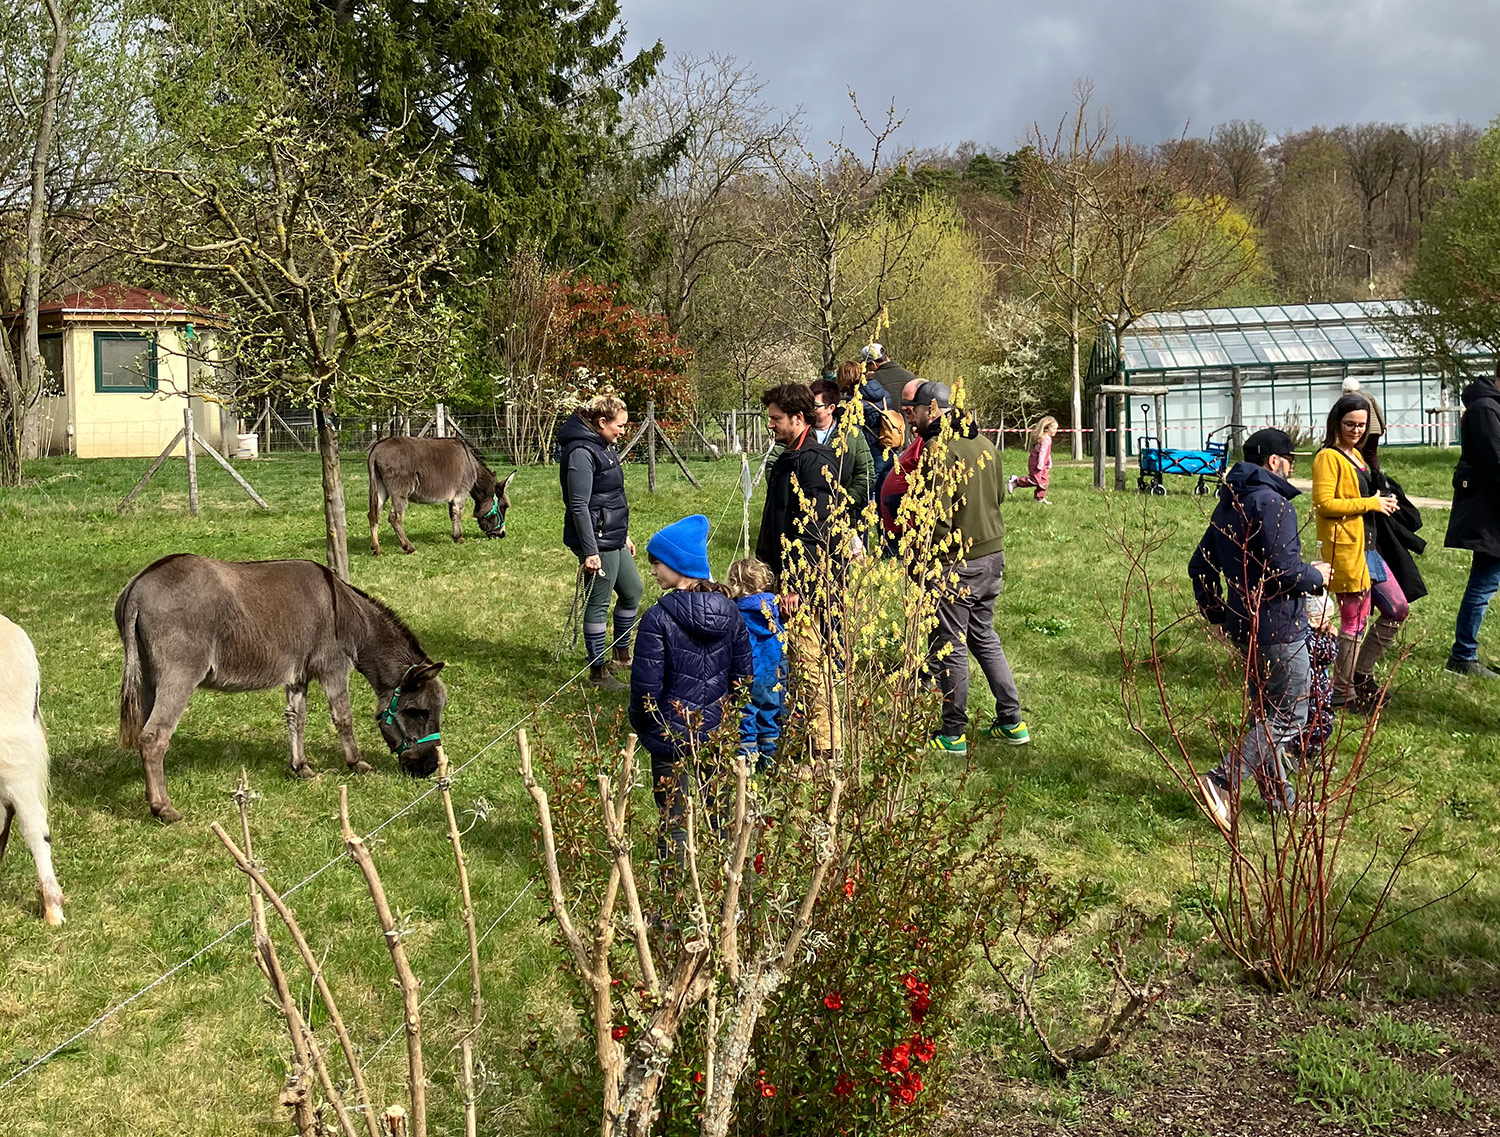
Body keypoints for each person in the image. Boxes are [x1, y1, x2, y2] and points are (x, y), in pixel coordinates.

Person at [1189, 428, 1332, 825]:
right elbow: (1285, 572)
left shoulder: (1230, 502)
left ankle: (1281, 799)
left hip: (1244, 626)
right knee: (1289, 716)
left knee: (1265, 717)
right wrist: (1317, 576)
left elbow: (1200, 565)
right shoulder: (1273, 504)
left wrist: (1217, 614)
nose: (1292, 468)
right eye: (1291, 460)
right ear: (1274, 461)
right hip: (1280, 628)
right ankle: (1221, 780)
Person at [907, 381, 1029, 752]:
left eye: (916, 409)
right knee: (983, 635)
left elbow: (936, 516)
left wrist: (926, 557)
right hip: (993, 554)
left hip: (955, 563)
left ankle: (953, 733)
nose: (912, 416)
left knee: (950, 644)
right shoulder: (986, 444)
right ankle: (1012, 722)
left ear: (932, 409)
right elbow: (1000, 495)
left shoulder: (938, 450)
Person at [629, 514, 753, 866]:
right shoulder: (731, 614)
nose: (653, 570)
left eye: (657, 562)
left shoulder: (657, 618)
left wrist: (645, 724)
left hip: (669, 735)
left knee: (674, 821)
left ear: (679, 564)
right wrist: (728, 722)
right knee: (723, 815)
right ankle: (734, 885)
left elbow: (645, 687)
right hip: (715, 733)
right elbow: (744, 678)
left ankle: (674, 894)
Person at [754, 382, 843, 760]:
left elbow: (814, 530)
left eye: (776, 418)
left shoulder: (813, 461)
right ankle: (805, 739)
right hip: (785, 576)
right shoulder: (790, 457)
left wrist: (796, 586)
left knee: (810, 664)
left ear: (797, 418)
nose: (770, 424)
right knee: (794, 664)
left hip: (806, 583)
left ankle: (826, 751)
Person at [1310, 393, 1403, 710]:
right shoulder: (1328, 457)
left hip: (1368, 547)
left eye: (1362, 425)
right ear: (1336, 423)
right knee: (1354, 622)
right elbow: (1324, 504)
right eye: (1350, 424)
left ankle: (1360, 674)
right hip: (1347, 549)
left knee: (1397, 609)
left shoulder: (1358, 455)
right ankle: (1342, 693)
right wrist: (1370, 503)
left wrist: (1382, 500)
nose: (1356, 430)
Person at [558, 393, 641, 691]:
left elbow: (611, 496)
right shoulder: (581, 452)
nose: (623, 431)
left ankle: (621, 656)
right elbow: (579, 505)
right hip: (596, 540)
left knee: (632, 591)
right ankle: (598, 672)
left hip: (612, 535)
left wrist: (623, 534)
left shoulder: (603, 446)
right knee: (598, 602)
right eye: (620, 425)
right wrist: (589, 551)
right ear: (602, 422)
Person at [1444, 365, 1500, 679]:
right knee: (1483, 584)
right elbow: (1496, 461)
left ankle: (1464, 653)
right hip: (1490, 515)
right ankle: (1463, 655)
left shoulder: (1491, 406)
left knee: (1486, 582)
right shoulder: (1486, 408)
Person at [726, 557, 786, 772]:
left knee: (746, 716)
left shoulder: (736, 613)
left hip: (746, 675)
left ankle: (746, 762)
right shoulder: (775, 610)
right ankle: (770, 760)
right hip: (771, 675)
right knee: (769, 713)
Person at [857, 346, 914, 499]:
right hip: (905, 443)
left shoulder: (872, 382)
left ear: (873, 364)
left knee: (874, 488)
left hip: (879, 444)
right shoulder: (910, 377)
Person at [810, 376, 874, 507]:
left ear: (831, 408)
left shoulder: (852, 436)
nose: (810, 409)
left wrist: (846, 502)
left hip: (840, 512)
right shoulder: (798, 431)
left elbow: (866, 473)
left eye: (815, 406)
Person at [878, 377, 925, 544]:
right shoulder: (919, 438)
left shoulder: (931, 443)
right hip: (898, 528)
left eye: (910, 402)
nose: (904, 407)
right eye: (903, 402)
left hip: (910, 531)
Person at [1009, 415, 1058, 504]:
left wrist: (1049, 462)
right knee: (1035, 480)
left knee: (1044, 481)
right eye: (1054, 428)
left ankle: (1039, 498)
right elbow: (1042, 453)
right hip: (1036, 463)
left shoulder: (1048, 439)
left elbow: (1047, 452)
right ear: (1046, 428)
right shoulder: (1045, 439)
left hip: (1042, 463)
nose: (1056, 431)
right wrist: (1040, 465)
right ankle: (1015, 481)